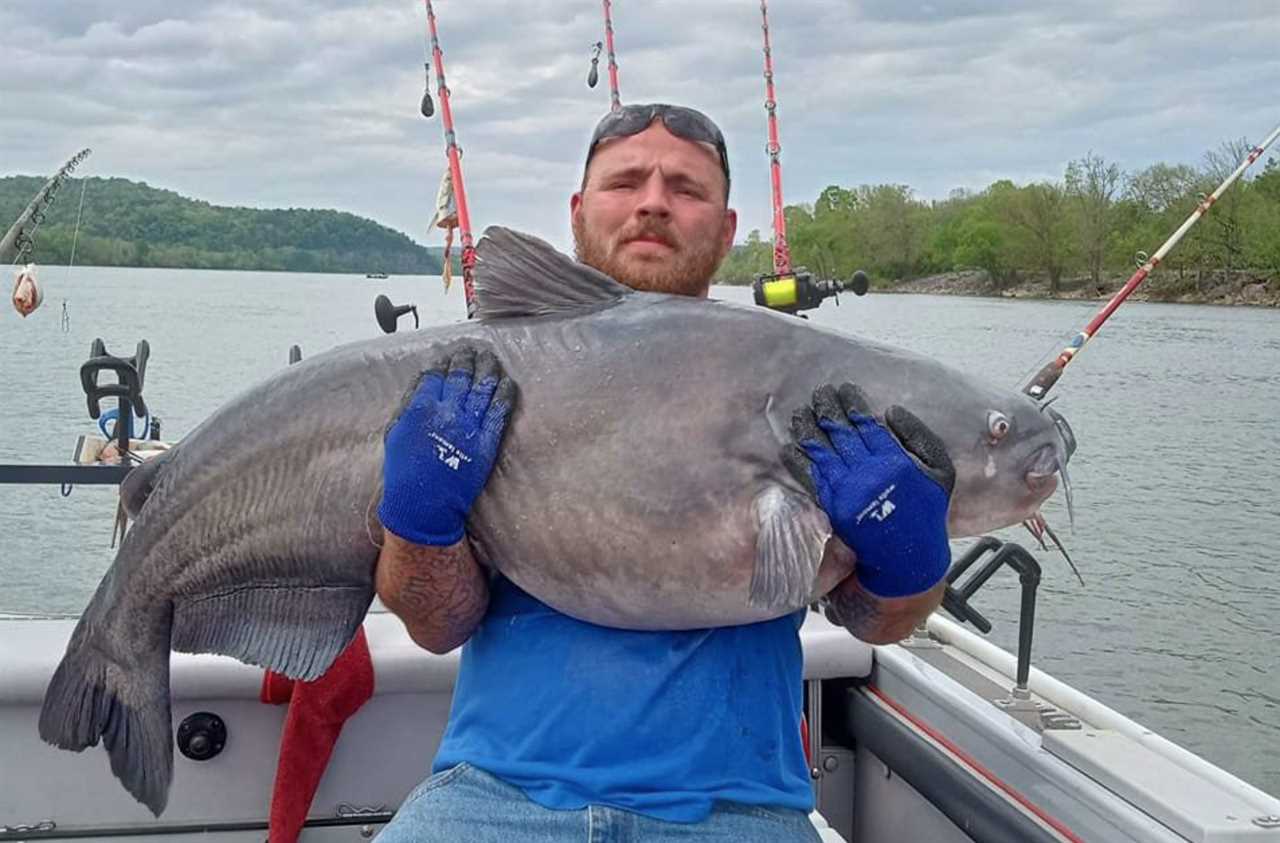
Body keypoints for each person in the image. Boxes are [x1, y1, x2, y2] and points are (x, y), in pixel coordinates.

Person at [373, 103, 952, 842]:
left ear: (727, 226)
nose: (653, 201)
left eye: (685, 187)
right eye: (626, 182)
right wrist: (420, 517)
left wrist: (910, 561)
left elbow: (874, 621)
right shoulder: (477, 384)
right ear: (578, 211)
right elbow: (435, 622)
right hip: (491, 797)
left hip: (739, 812)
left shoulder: (812, 394)